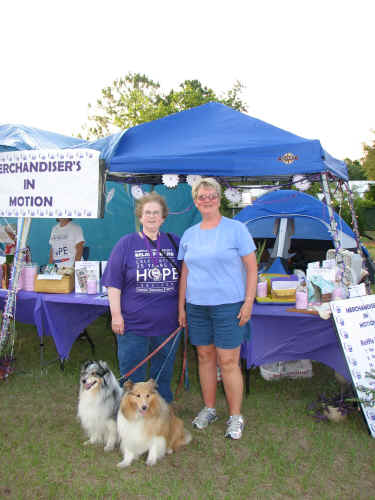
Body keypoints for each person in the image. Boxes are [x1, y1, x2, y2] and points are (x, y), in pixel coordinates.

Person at [178, 178, 257, 440]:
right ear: (195, 201)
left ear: (219, 198)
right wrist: (182, 308)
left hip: (229, 306)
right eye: (202, 196)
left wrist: (248, 301)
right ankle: (210, 408)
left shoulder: (236, 229)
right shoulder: (189, 234)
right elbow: (185, 274)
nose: (207, 199)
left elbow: (252, 267)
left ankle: (236, 416)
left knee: (228, 361)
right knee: (204, 357)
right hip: (197, 306)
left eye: (211, 195)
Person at [101, 192, 181, 403]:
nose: (152, 217)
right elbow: (113, 283)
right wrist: (116, 315)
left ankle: (161, 411)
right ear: (140, 216)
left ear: (163, 217)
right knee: (131, 376)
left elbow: (187, 279)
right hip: (133, 324)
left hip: (168, 324)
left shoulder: (175, 242)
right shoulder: (126, 244)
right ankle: (130, 415)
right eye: (147, 212)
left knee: (162, 375)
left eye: (156, 213)